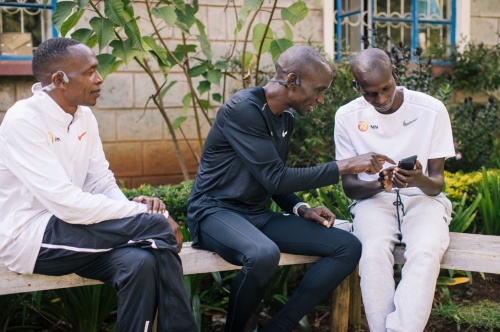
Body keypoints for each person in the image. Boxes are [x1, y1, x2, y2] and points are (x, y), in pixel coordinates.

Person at [187, 45, 394, 332]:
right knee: (262, 253)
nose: (321, 100)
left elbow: (272, 181)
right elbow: (275, 177)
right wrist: (345, 166)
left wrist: (301, 208)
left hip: (256, 216)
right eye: (319, 90)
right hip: (213, 213)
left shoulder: (286, 118)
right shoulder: (243, 110)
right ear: (293, 80)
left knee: (347, 247)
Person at [0, 37, 197, 332]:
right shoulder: (24, 120)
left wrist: (128, 208)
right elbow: (67, 204)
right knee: (155, 225)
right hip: (30, 237)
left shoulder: (84, 117)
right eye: (90, 71)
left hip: (76, 234)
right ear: (59, 80)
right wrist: (140, 214)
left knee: (139, 264)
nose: (99, 78)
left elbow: (101, 181)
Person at [334, 47, 455, 332]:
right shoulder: (347, 116)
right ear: (357, 87)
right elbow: (350, 187)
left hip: (423, 199)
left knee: (425, 250)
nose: (382, 99)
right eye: (370, 94)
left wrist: (417, 179)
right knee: (373, 251)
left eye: (386, 88)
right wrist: (379, 182)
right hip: (373, 200)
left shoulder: (432, 109)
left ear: (396, 75)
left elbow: (437, 184)